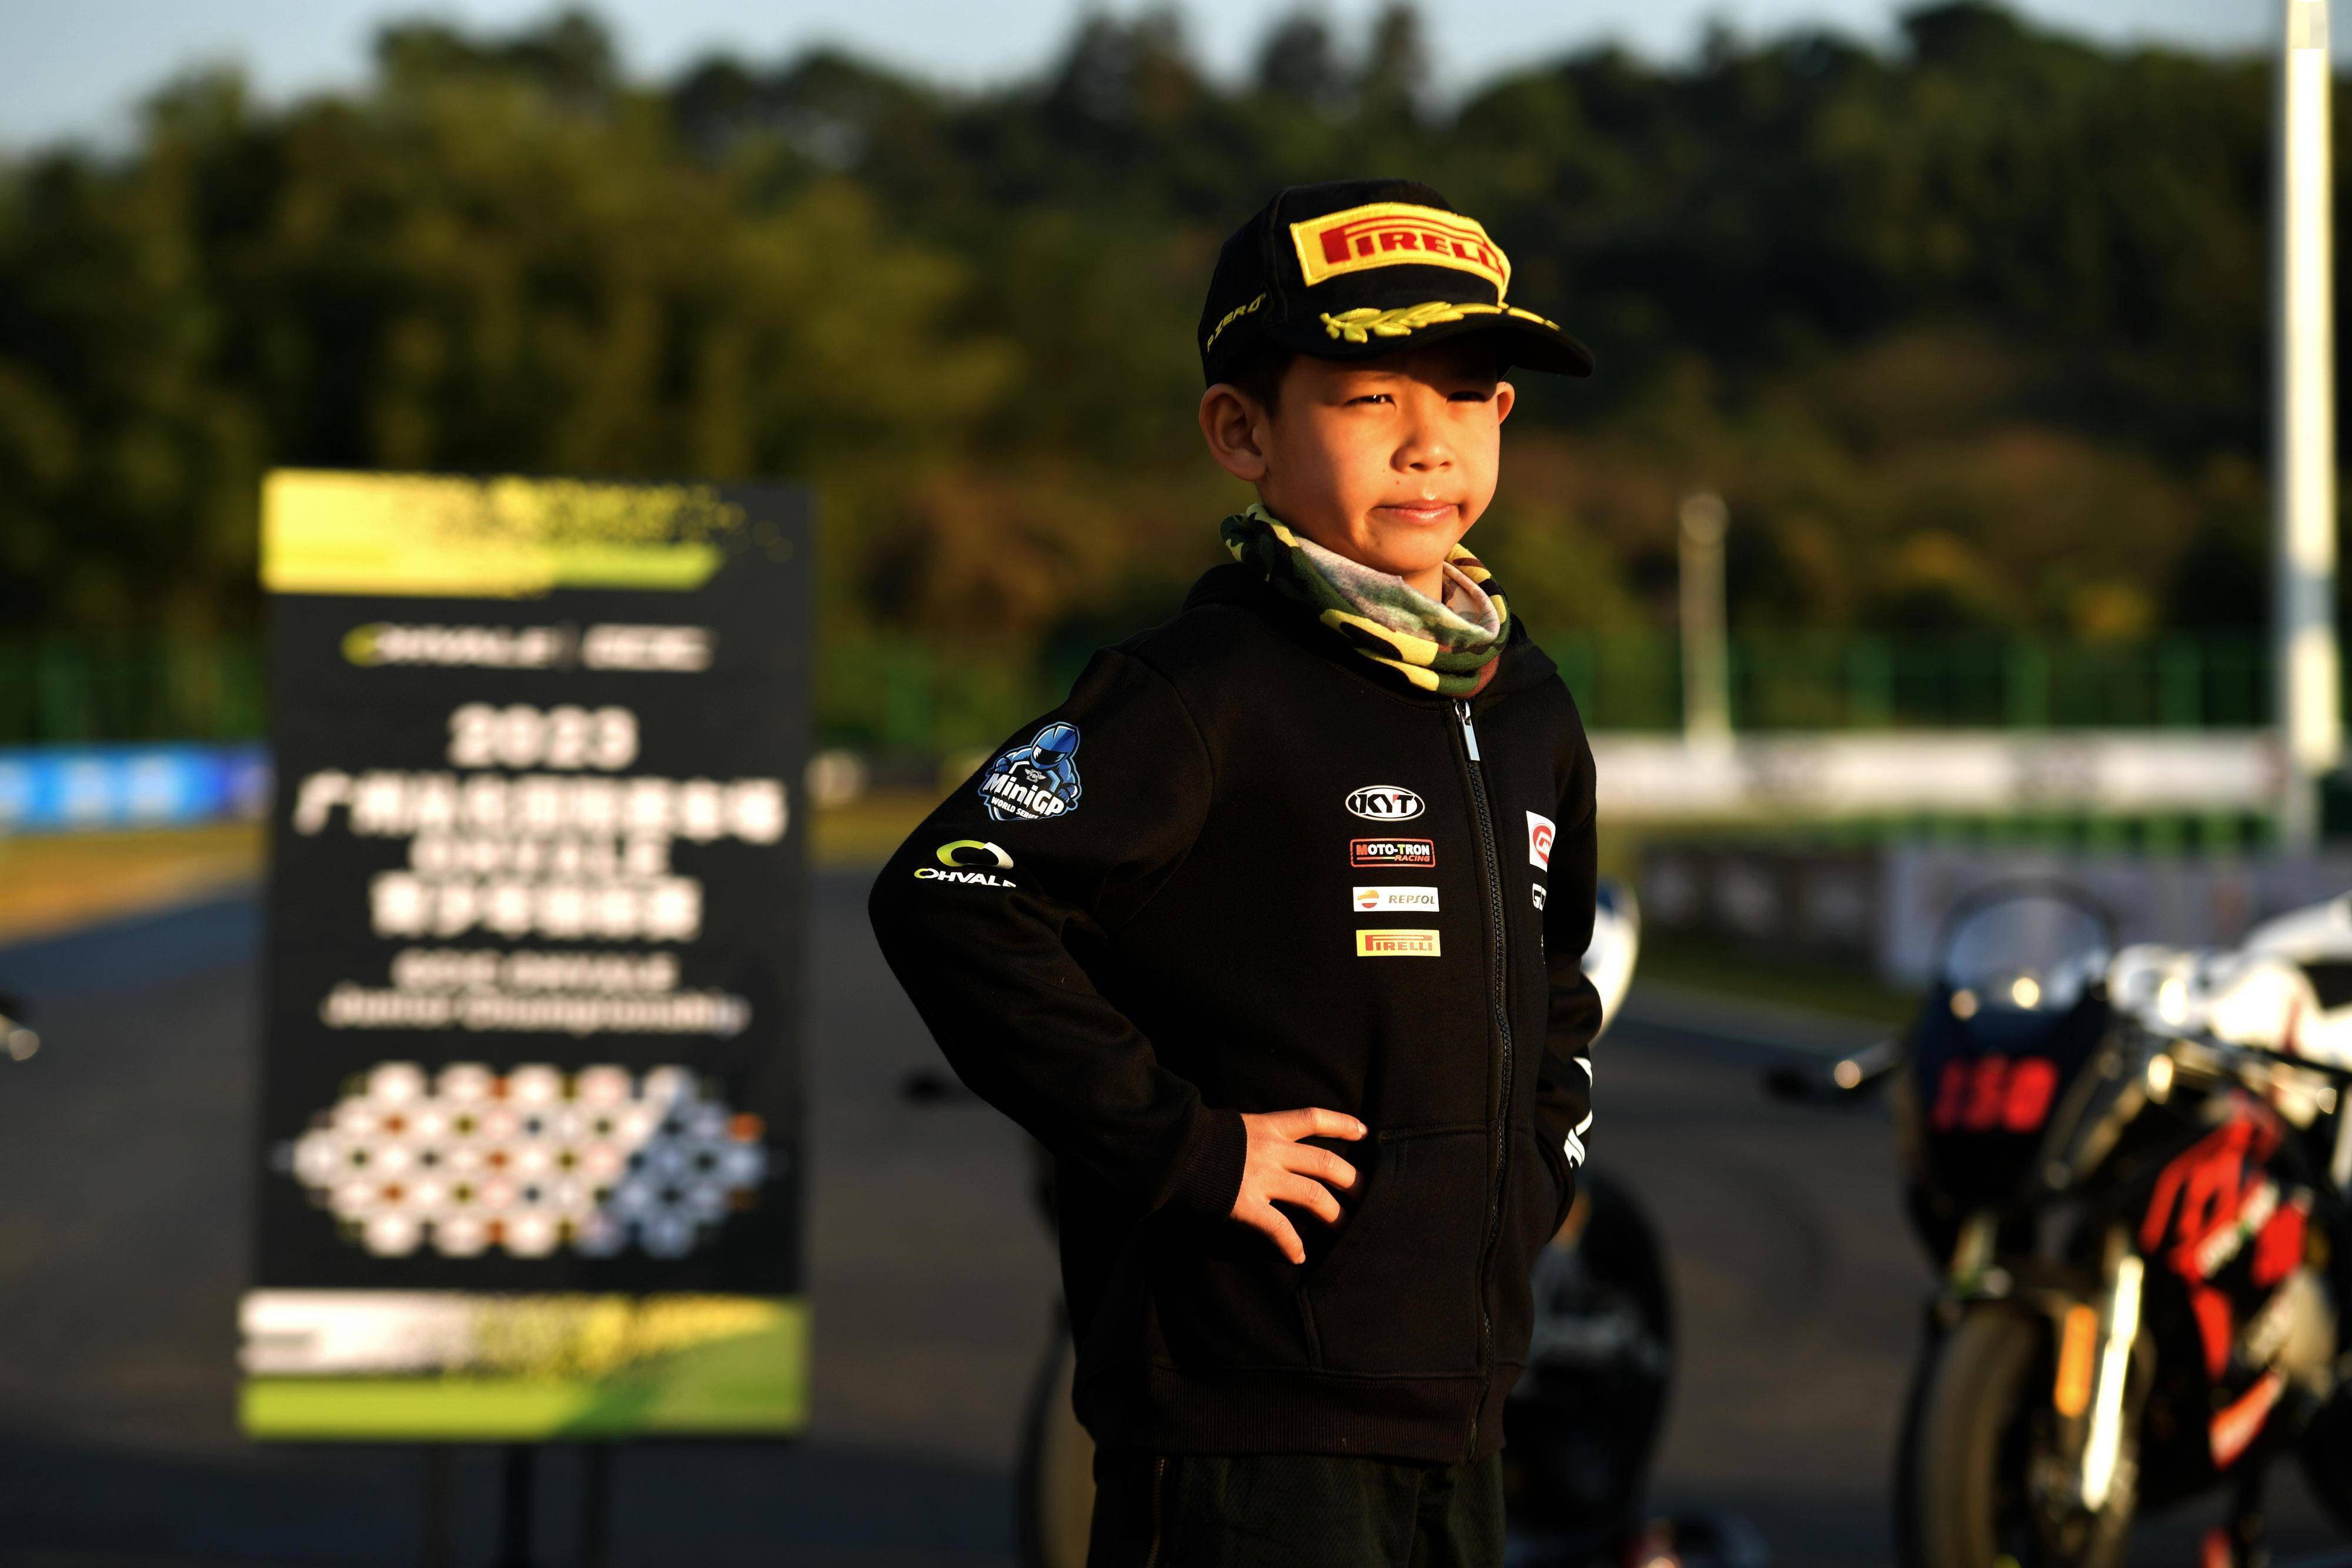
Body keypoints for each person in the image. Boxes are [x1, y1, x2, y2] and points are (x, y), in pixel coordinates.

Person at [867, 178, 1603, 1568]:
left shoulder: (1526, 703)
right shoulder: (1199, 689)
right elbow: (952, 892)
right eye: (1369, 397)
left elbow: (1556, 975)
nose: (1428, 441)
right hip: (1235, 1422)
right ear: (1241, 430)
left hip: (1459, 1406)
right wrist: (1184, 1147)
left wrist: (1537, 1165)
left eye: (1466, 394)